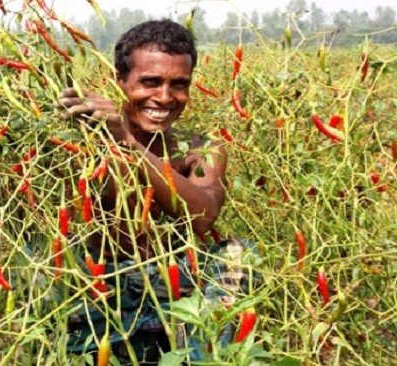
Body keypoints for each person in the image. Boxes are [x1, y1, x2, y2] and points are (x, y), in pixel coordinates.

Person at [56, 19, 257, 364]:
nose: (164, 97)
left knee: (238, 253)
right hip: (104, 287)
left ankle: (205, 356)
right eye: (150, 82)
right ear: (120, 81)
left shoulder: (202, 147)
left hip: (179, 291)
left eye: (179, 85)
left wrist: (128, 144)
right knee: (38, 252)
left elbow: (204, 215)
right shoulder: (84, 141)